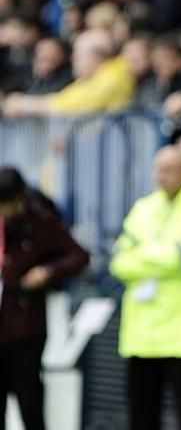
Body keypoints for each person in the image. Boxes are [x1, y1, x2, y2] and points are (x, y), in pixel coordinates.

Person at [109, 145, 181, 430]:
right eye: (157, 169)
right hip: (142, 335)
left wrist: (142, 255)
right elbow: (118, 262)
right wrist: (160, 255)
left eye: (169, 169)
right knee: (141, 417)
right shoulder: (143, 207)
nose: (160, 176)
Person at [0, 166, 89, 430]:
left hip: (24, 327)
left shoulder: (39, 221)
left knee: (30, 404)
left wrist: (47, 272)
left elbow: (78, 256)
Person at [1, 28, 135, 118]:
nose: (73, 59)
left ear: (96, 57)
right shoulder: (93, 78)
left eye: (77, 54)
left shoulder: (116, 76)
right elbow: (65, 97)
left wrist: (24, 105)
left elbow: (67, 105)